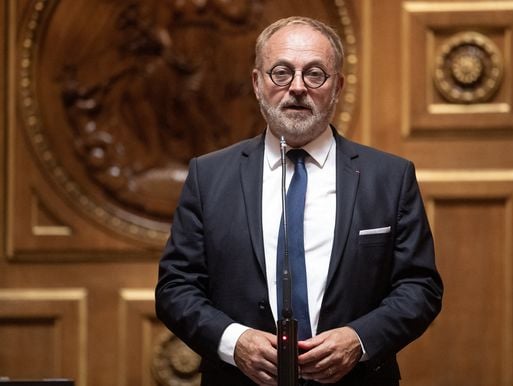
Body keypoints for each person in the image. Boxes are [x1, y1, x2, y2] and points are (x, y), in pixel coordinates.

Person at [155, 16, 443, 386]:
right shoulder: (208, 177)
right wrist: (234, 341)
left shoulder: (390, 177)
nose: (296, 87)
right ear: (258, 83)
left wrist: (358, 339)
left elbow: (420, 287)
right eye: (281, 72)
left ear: (337, 86)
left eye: (315, 74)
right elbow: (175, 288)